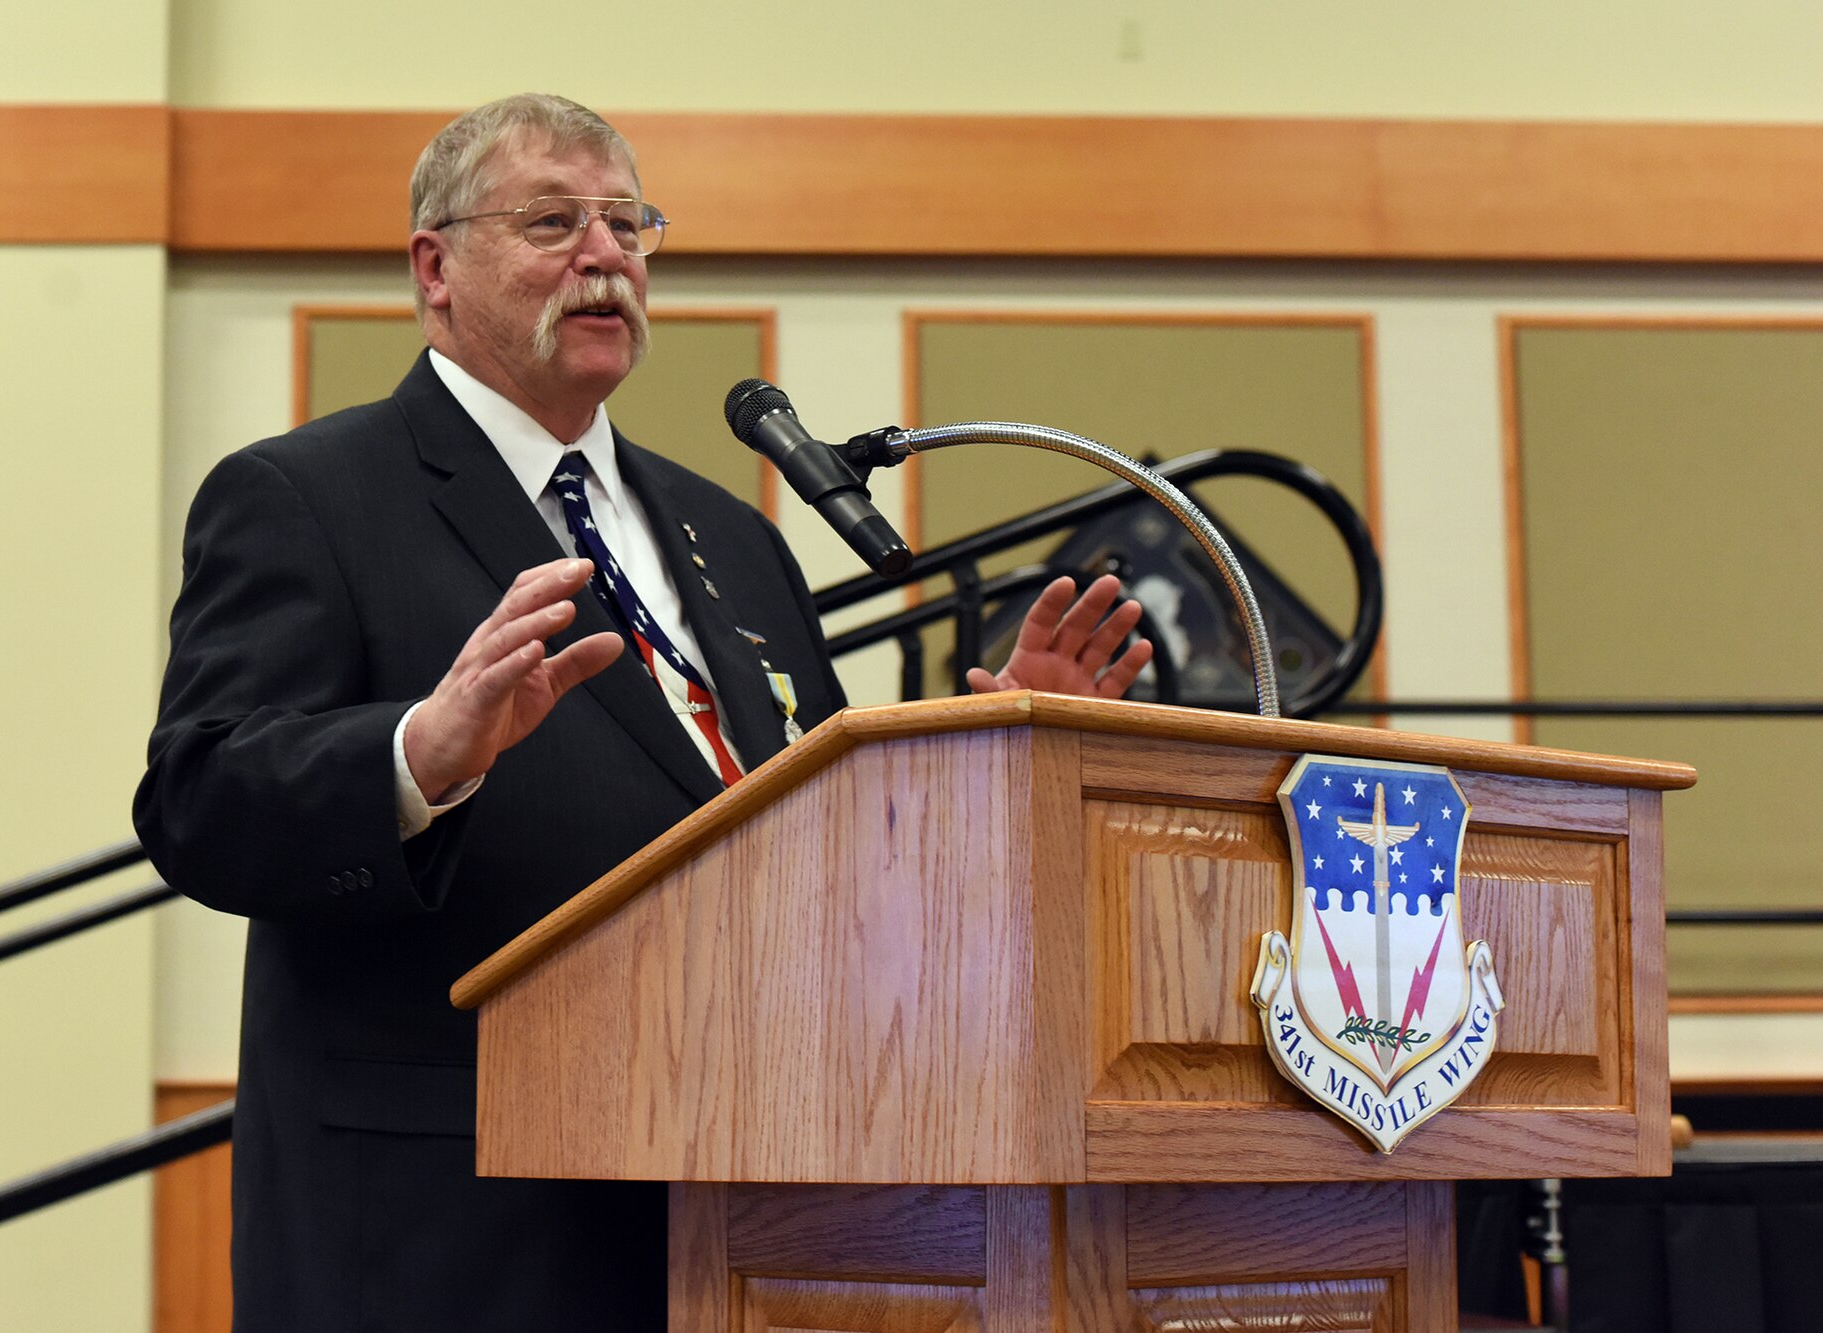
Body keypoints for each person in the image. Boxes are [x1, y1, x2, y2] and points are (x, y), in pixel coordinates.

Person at [135, 93, 1151, 1332]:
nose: (604, 254)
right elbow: (199, 801)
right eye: (552, 220)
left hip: (741, 1213)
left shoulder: (733, 534)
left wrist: (977, 774)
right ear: (435, 267)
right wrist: (418, 754)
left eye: (627, 224)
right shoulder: (307, 495)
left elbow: (803, 851)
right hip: (444, 1227)